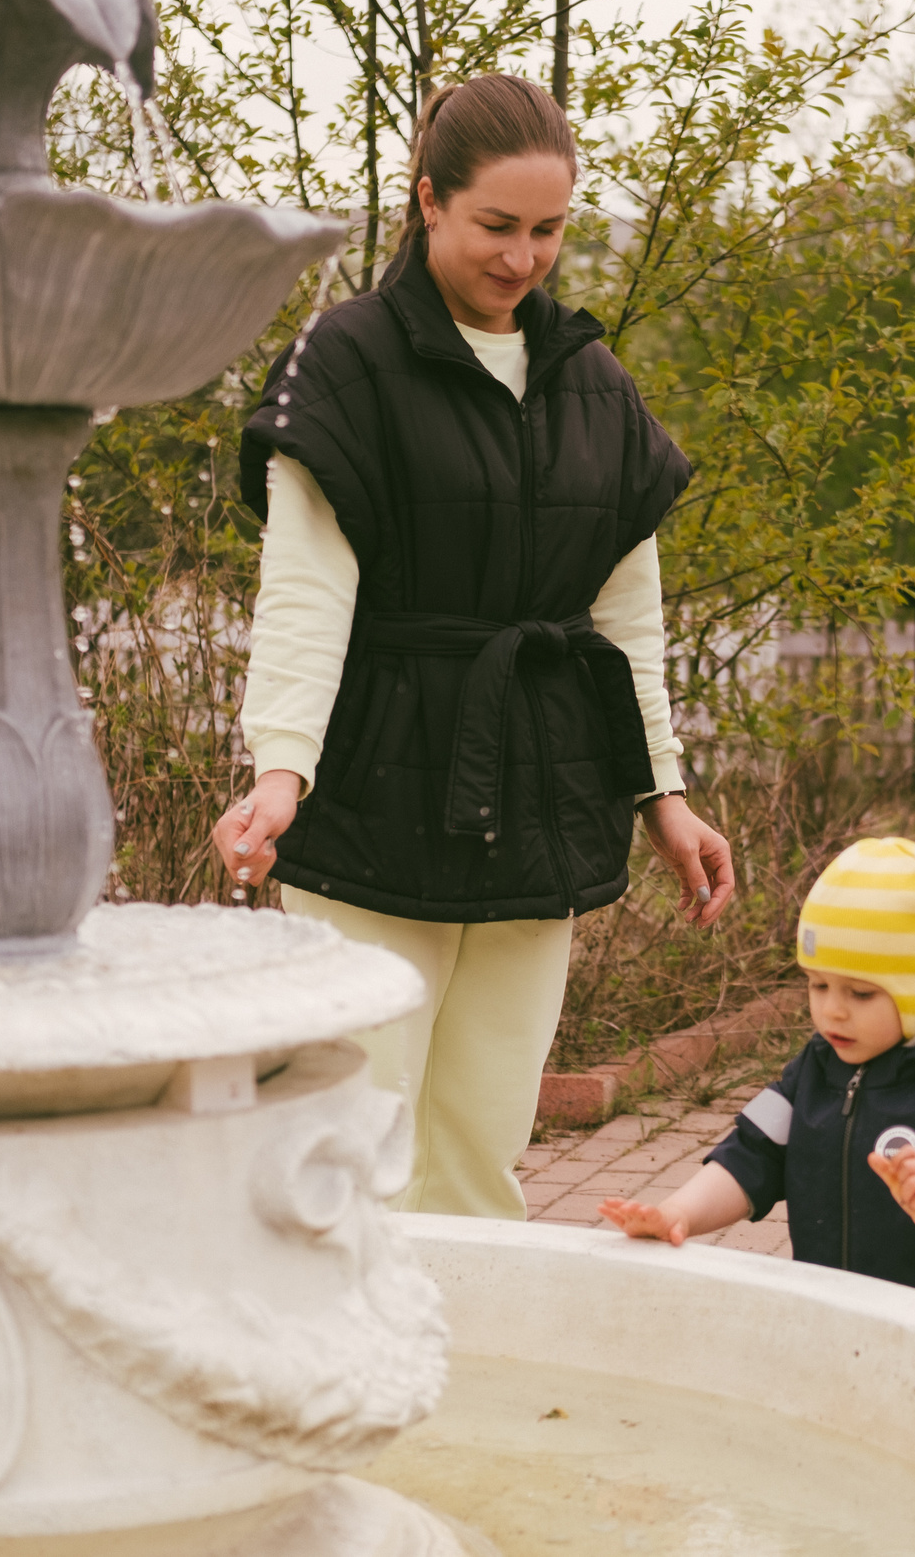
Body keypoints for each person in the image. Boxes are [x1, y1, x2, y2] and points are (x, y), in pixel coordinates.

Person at [215, 73, 736, 1221]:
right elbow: (306, 590)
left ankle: (459, 1389)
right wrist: (279, 774)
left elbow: (626, 622)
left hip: (542, 791)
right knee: (356, 1142)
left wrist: (665, 793)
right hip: (373, 793)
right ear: (427, 204)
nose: (523, 257)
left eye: (547, 230)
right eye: (496, 226)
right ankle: (340, 1390)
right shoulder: (346, 365)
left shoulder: (595, 386)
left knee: (481, 1147)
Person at [597, 838, 915, 1329]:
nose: (832, 1009)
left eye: (860, 992)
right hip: (845, 1324)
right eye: (818, 984)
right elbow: (753, 1155)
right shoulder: (823, 1060)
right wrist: (678, 1212)